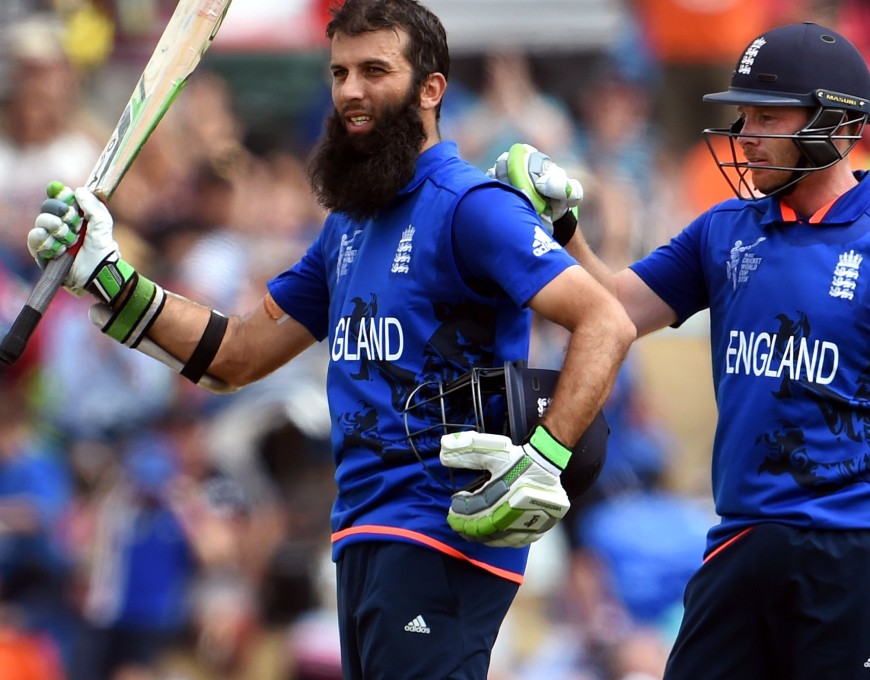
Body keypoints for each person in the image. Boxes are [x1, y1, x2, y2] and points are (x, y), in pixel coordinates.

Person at [25, 1, 635, 679]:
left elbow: (606, 320)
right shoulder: (349, 225)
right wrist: (109, 277)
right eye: (340, 71)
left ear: (431, 89)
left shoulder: (472, 207)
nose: (350, 90)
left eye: (375, 70)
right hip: (362, 535)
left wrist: (546, 457)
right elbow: (238, 354)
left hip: (442, 533)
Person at [491, 22, 870, 680]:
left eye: (768, 116)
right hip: (743, 538)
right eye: (743, 116)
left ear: (841, 126)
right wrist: (557, 229)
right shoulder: (722, 231)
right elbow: (613, 310)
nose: (744, 135)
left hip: (866, 547)